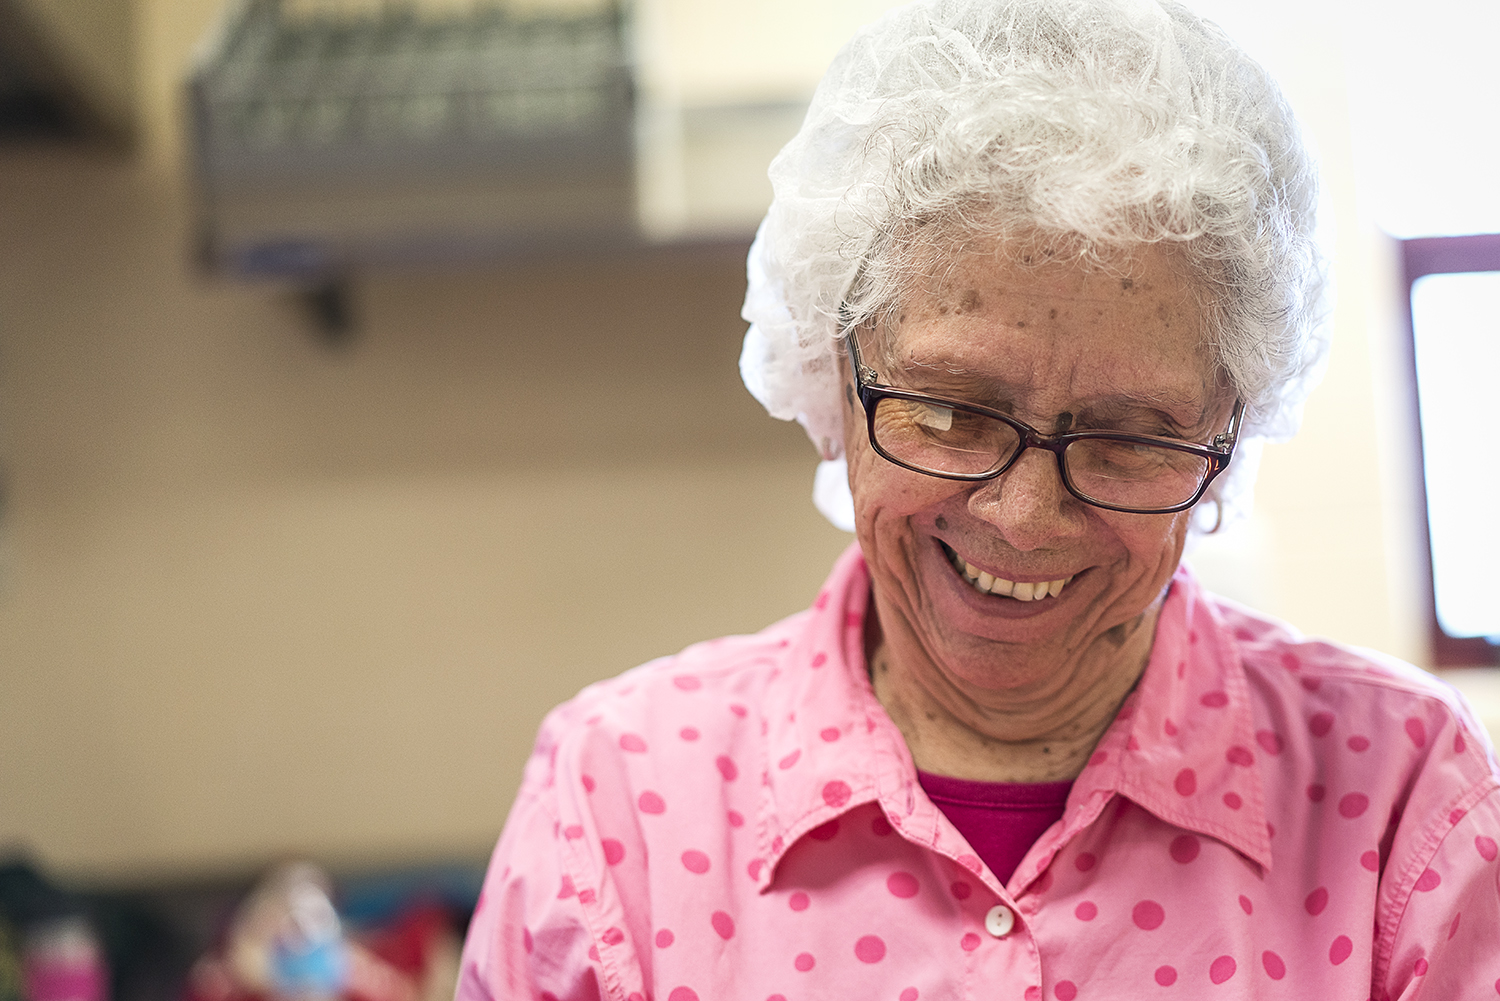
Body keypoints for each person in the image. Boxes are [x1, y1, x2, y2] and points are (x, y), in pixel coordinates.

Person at [456, 0, 1500, 997]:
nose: (1024, 515)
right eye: (952, 410)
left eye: (1127, 435)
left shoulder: (1405, 804)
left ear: (1228, 432)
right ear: (834, 366)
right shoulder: (618, 805)